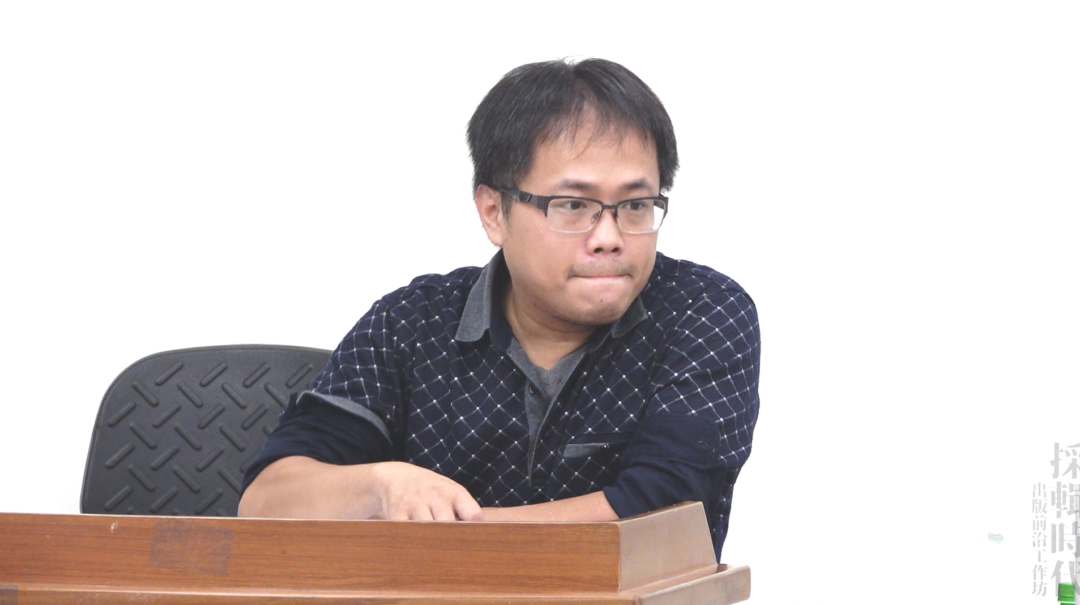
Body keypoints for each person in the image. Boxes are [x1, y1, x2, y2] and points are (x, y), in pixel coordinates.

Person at [238, 58, 760, 559]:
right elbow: (266, 503)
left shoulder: (702, 312)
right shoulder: (411, 323)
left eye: (636, 206)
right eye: (573, 205)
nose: (609, 236)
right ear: (493, 212)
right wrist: (381, 485)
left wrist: (438, 535)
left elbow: (663, 513)